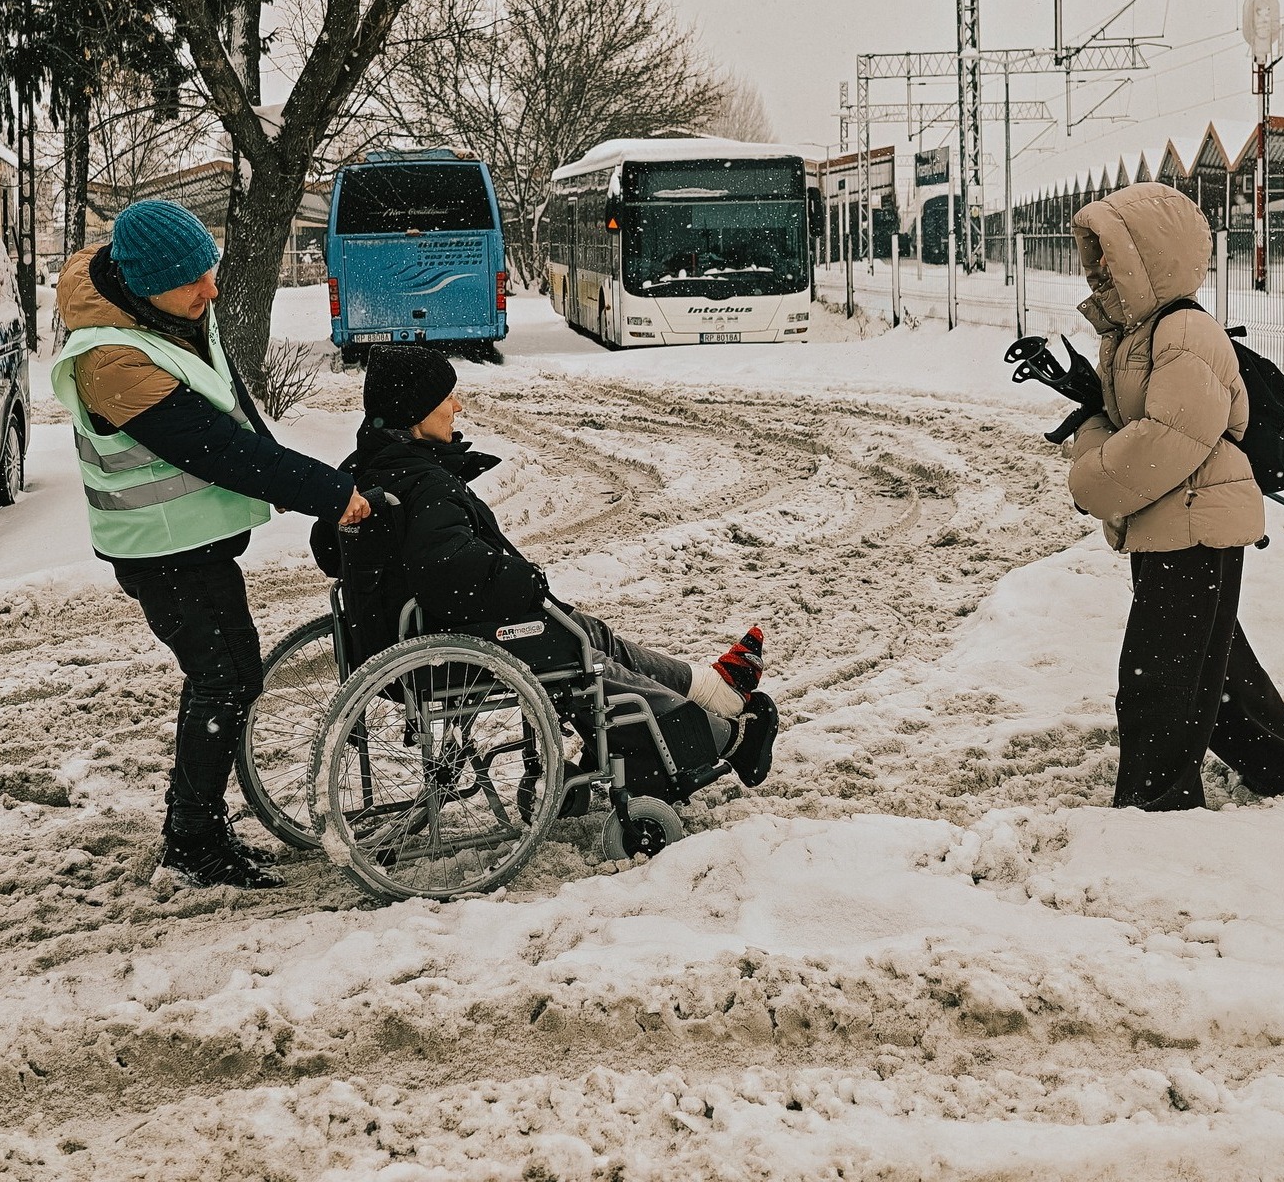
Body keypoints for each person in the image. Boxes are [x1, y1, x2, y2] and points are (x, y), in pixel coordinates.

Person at [50, 199, 372, 889]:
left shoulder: (168, 310)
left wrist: (305, 481)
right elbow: (216, 448)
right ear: (142, 284)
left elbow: (235, 413)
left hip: (193, 541)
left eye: (211, 271)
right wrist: (325, 493)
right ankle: (191, 838)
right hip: (159, 549)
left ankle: (194, 827)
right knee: (224, 678)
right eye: (194, 280)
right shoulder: (110, 358)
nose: (212, 290)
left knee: (228, 674)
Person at [313, 345, 779, 787]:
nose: (457, 406)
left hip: (410, 640)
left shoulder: (370, 471)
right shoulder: (423, 481)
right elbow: (450, 571)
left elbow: (330, 548)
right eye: (445, 398)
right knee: (580, 654)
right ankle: (726, 738)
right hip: (446, 648)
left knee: (587, 632)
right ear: (415, 414)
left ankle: (711, 690)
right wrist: (526, 579)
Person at [1052, 181, 1284, 812]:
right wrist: (1094, 416)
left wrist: (1091, 475)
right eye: (1090, 256)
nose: (1094, 271)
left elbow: (1168, 439)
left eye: (1107, 257)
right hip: (1169, 521)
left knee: (1160, 680)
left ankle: (1157, 809)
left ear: (1148, 258)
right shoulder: (1135, 333)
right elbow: (1130, 424)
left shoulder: (1184, 333)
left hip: (1196, 524)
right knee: (1216, 666)